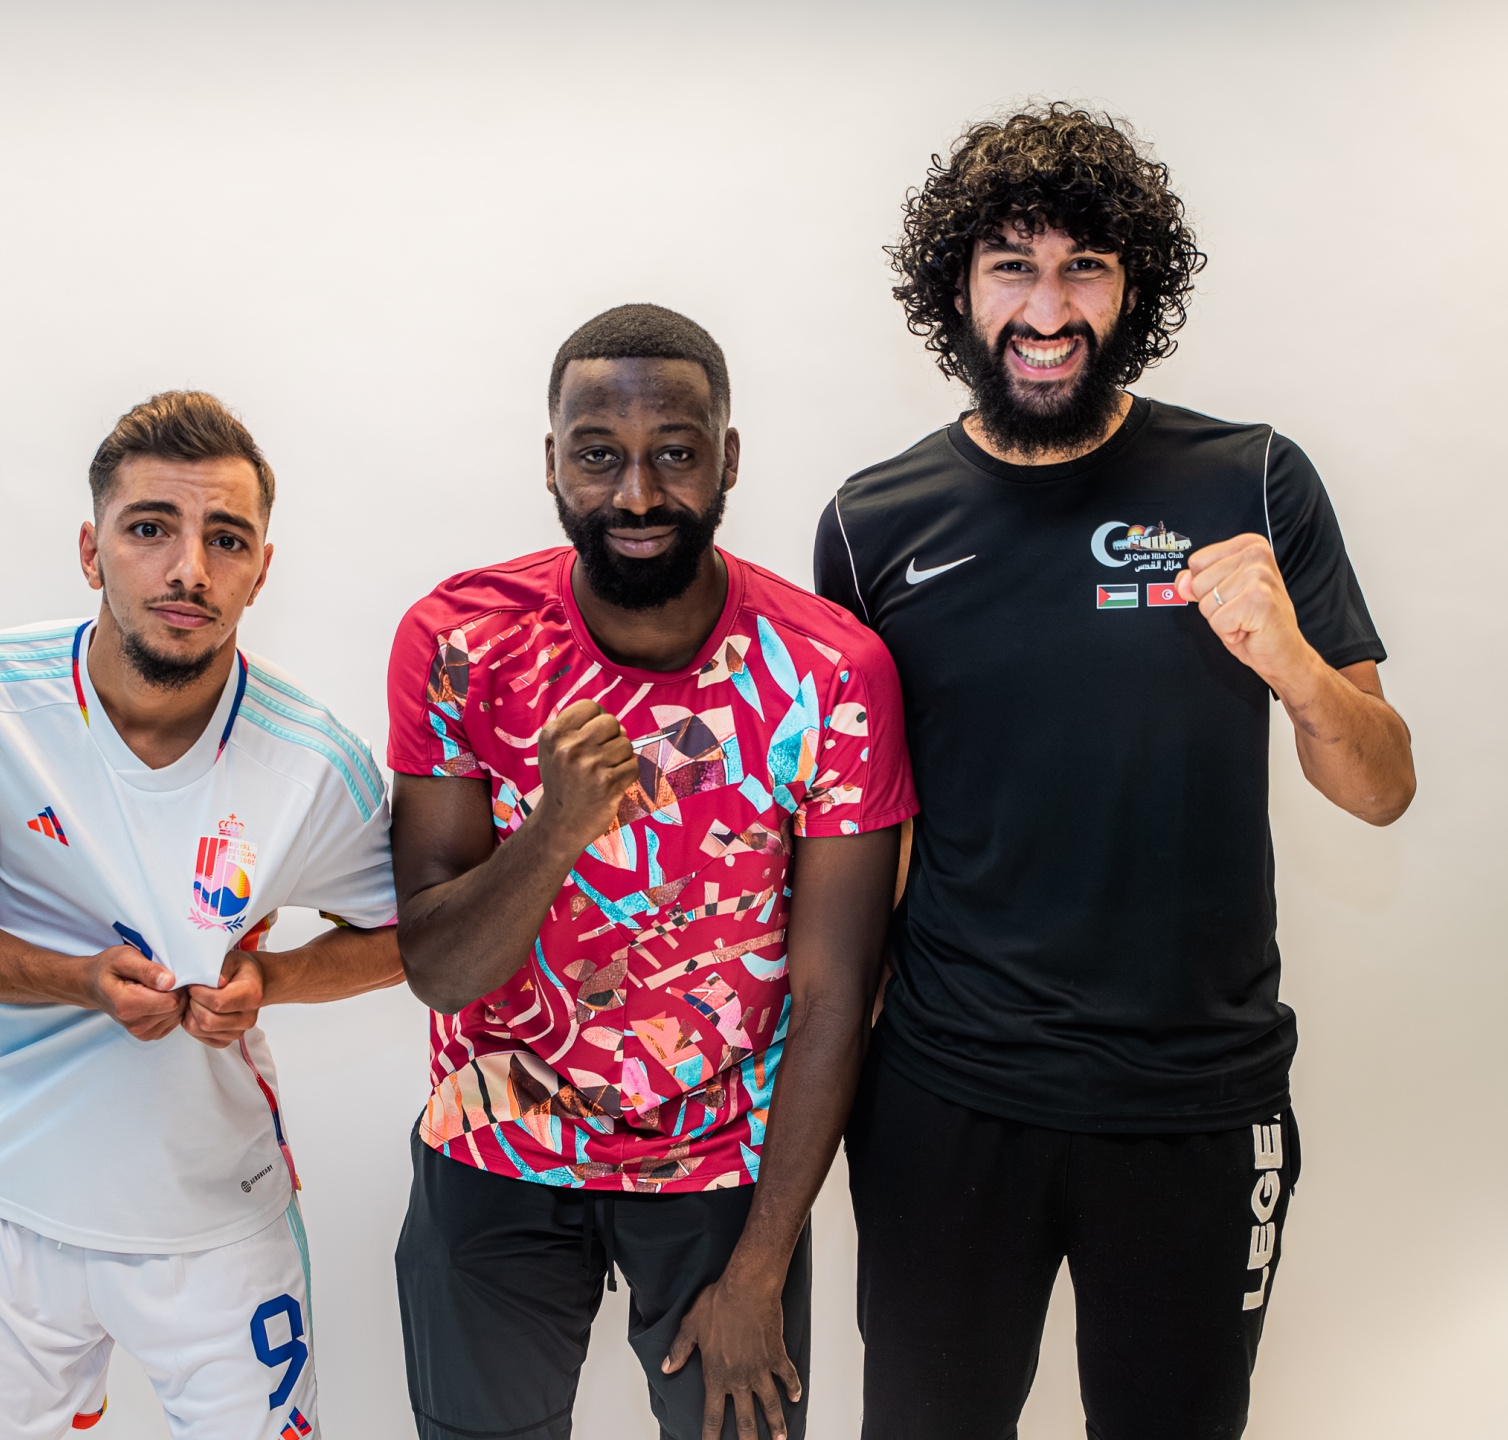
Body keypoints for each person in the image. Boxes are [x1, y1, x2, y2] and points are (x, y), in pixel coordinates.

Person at [816, 105, 1417, 1439]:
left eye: (1083, 266)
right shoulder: (869, 525)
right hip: (947, 1097)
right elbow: (866, 833)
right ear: (957, 289)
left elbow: (1380, 785)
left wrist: (1294, 664)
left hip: (1195, 1101)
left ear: (1132, 285)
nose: (1048, 309)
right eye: (1012, 266)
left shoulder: (1252, 481)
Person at [387, 304, 917, 1440]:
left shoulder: (831, 670)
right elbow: (438, 967)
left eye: (675, 452)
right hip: (495, 1144)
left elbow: (837, 990)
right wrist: (557, 828)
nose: (636, 495)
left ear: (729, 457)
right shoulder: (461, 641)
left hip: (726, 1178)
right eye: (599, 455)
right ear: (551, 464)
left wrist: (761, 1268)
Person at [0, 391, 400, 1439]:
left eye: (225, 538)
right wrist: (77, 982)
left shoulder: (314, 759)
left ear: (261, 569)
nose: (188, 567)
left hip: (220, 1219)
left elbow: (407, 938)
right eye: (150, 527)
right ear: (90, 549)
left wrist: (275, 979)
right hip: (11, 1206)